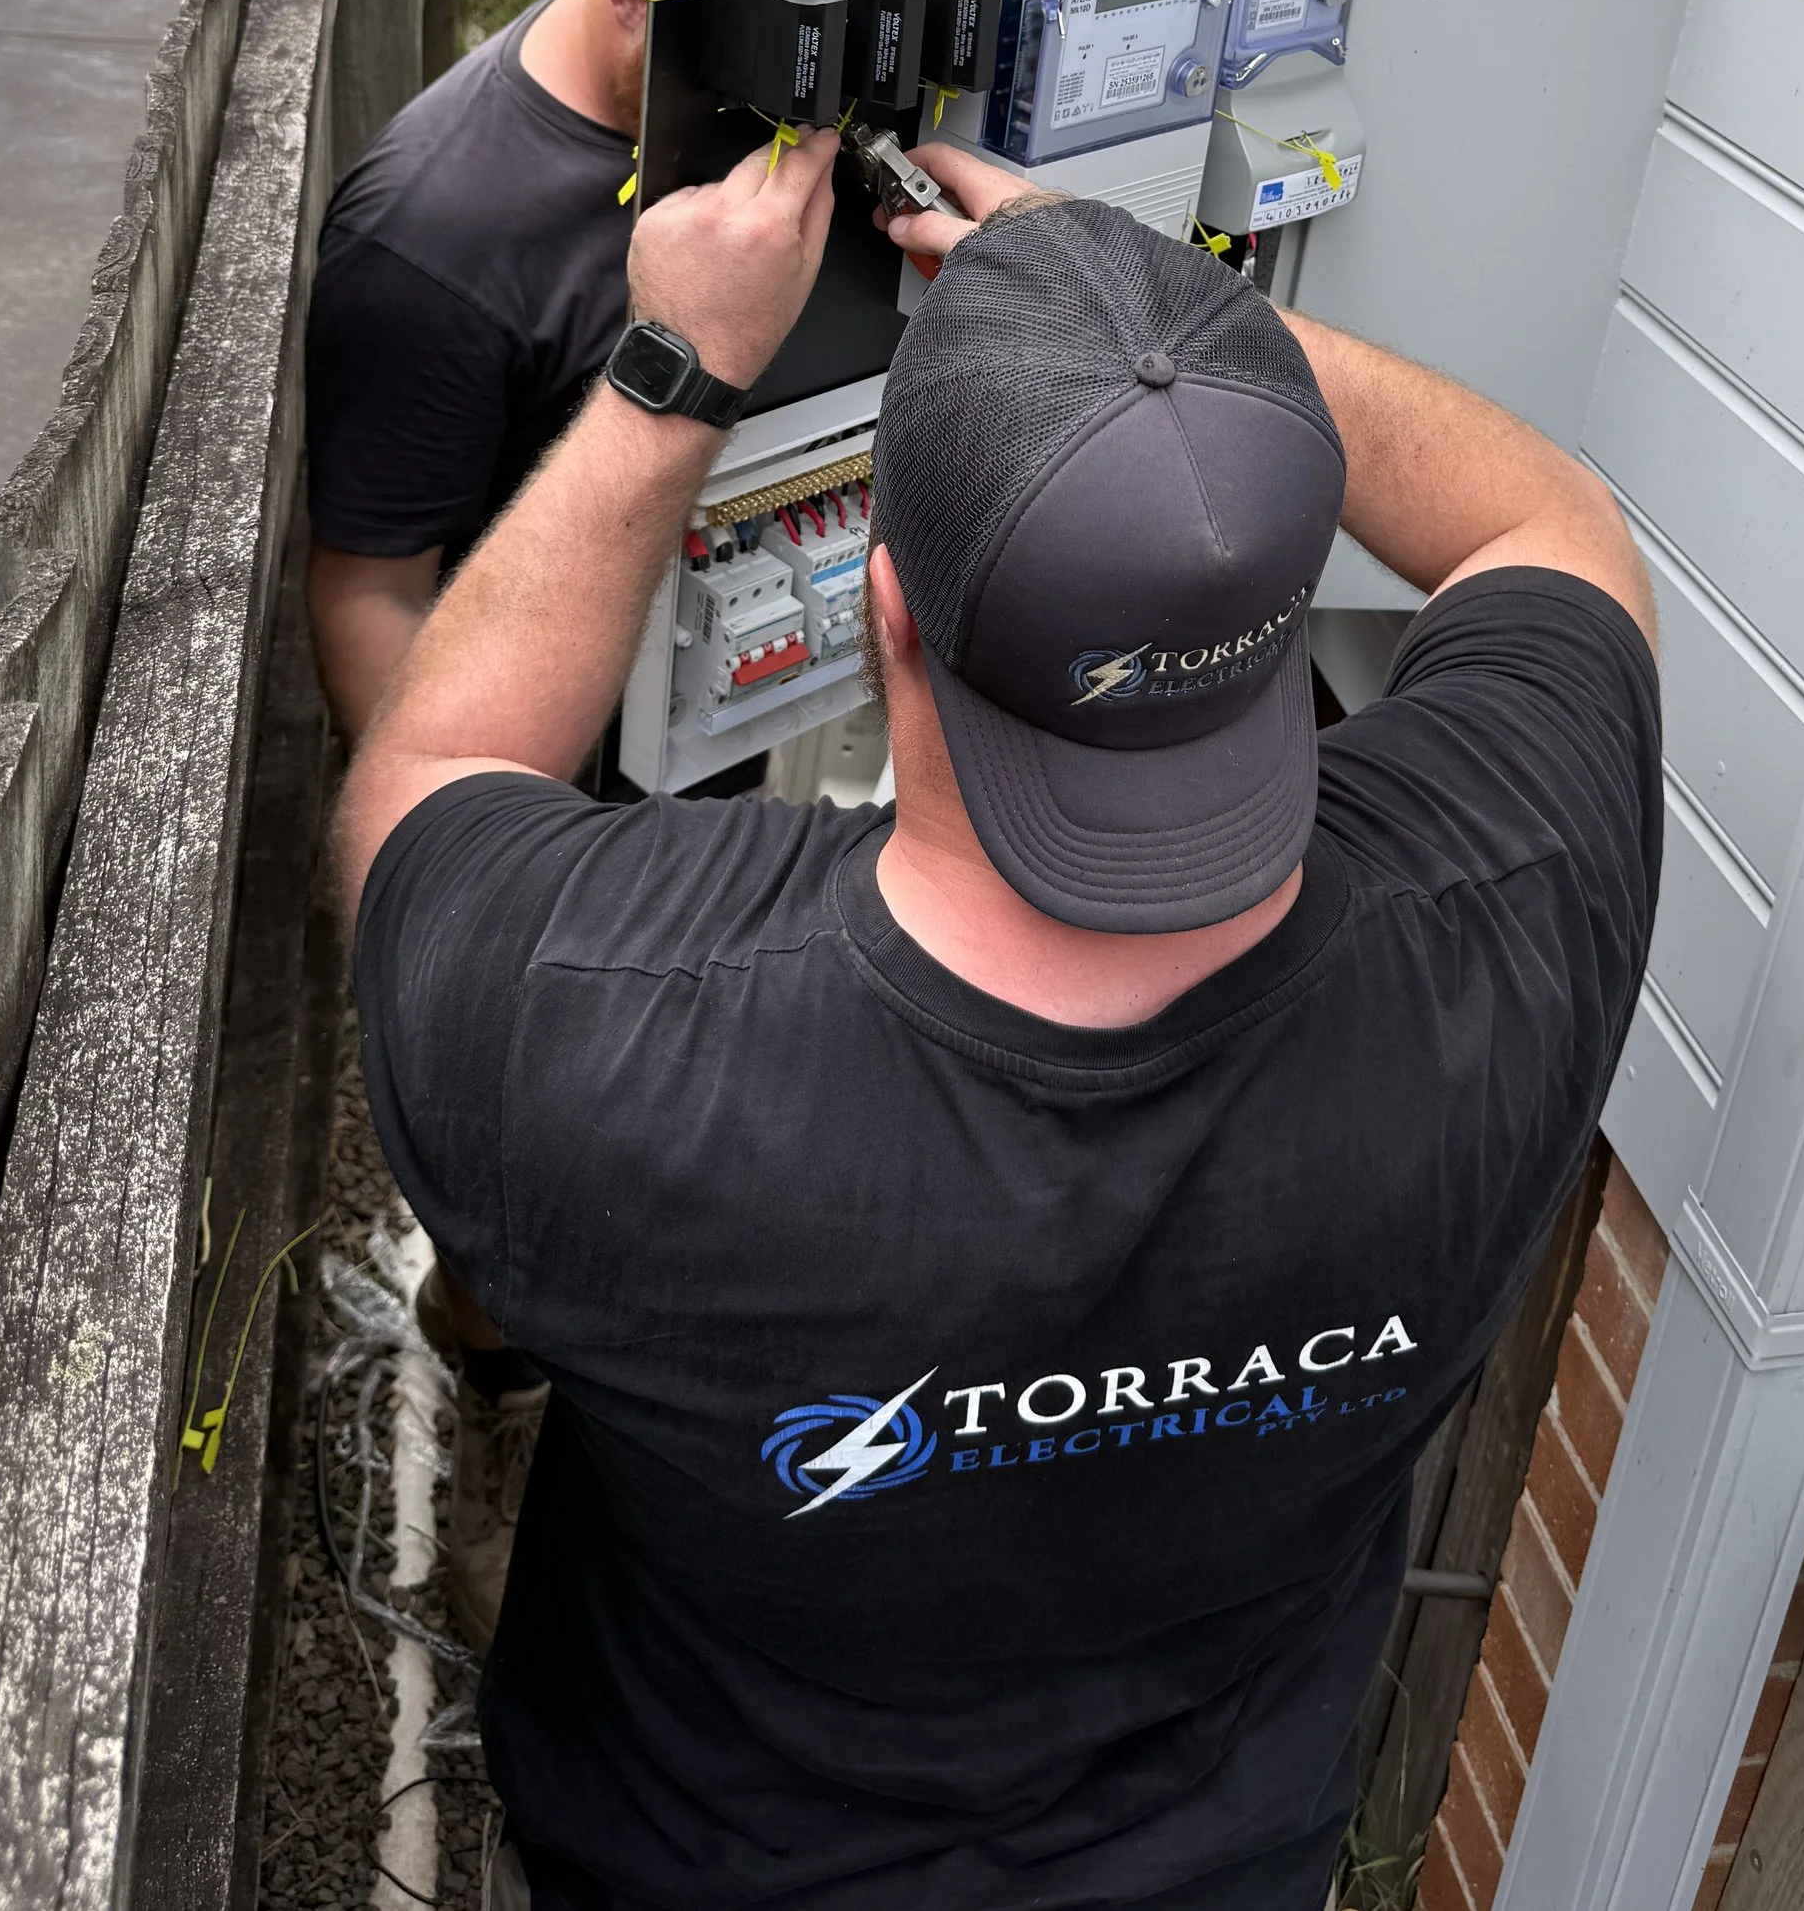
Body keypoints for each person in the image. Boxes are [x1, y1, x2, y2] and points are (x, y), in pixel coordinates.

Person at [341, 134, 1662, 1911]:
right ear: (1276, 605)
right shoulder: (1516, 919)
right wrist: (1182, 353)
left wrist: (671, 377)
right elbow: (1549, 518)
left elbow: (423, 781)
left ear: (887, 603)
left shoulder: (608, 1031)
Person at [304, 0, 856, 1645]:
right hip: (537, 802)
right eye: (749, 85)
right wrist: (470, 870)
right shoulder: (437, 231)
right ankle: (490, 1379)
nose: (780, 144)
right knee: (524, 1187)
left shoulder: (737, 134)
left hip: (693, 738)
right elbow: (369, 581)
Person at [304, 0, 858, 740]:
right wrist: (455, 844)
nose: (781, 126)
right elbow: (370, 594)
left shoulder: (751, 101)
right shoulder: (429, 248)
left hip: (720, 671)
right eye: (745, 72)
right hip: (543, 729)